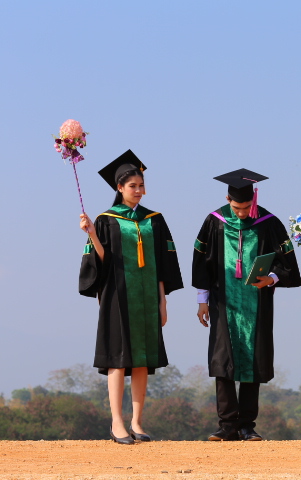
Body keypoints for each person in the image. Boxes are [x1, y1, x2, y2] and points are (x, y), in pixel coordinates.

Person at [79, 149, 183, 445]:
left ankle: (137, 422)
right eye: (132, 186)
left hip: (148, 297)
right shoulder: (106, 219)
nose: (138, 190)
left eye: (141, 185)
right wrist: (92, 234)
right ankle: (117, 423)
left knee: (142, 359)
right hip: (117, 295)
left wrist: (163, 301)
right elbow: (102, 261)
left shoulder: (155, 220)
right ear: (120, 188)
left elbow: (162, 265)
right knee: (118, 358)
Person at [192, 168, 301, 441]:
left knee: (253, 360)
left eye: (246, 207)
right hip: (222, 303)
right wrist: (202, 300)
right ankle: (227, 425)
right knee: (223, 361)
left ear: (254, 199)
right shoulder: (215, 221)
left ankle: (247, 425)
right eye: (236, 207)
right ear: (227, 199)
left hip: (257, 302)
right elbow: (202, 263)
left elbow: (287, 263)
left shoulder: (268, 222)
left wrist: (272, 278)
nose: (241, 213)